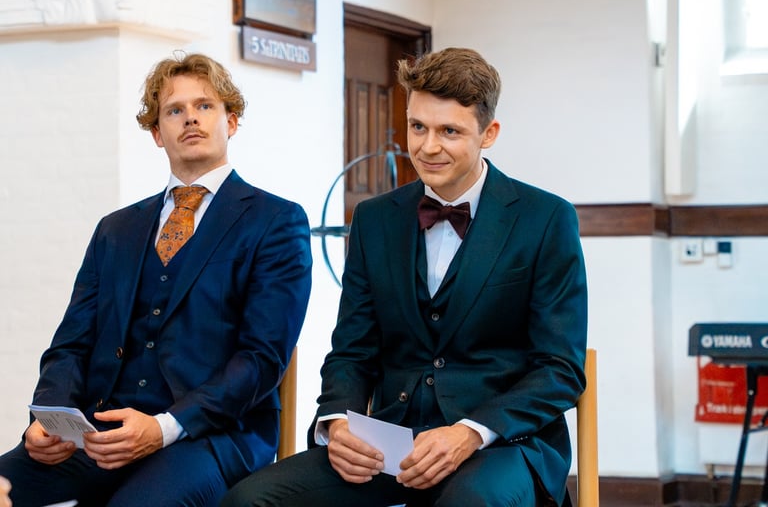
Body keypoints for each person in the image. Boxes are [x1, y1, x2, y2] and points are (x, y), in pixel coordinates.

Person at [221, 46, 587, 507]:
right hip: (392, 445)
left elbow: (559, 369)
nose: (428, 147)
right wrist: (338, 422)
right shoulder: (374, 219)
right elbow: (352, 350)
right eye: (418, 127)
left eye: (449, 131)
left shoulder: (546, 218)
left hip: (500, 447)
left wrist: (470, 432)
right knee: (250, 500)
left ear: (489, 133)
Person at [0, 52, 312, 507]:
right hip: (101, 432)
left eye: (204, 105)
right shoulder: (115, 229)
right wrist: (52, 417)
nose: (191, 118)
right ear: (156, 133)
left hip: (209, 438)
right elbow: (71, 345)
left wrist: (164, 427)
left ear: (231, 121)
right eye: (174, 110)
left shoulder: (276, 221)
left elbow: (261, 359)